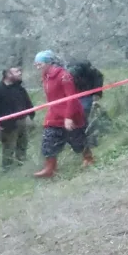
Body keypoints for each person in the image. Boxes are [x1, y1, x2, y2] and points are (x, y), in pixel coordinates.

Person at [32, 50, 93, 178]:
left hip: (70, 112)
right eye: (36, 65)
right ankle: (50, 169)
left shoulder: (64, 76)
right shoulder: (45, 76)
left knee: (77, 139)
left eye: (40, 64)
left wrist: (68, 117)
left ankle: (88, 159)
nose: (37, 67)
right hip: (54, 114)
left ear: (49, 62)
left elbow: (71, 97)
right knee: (48, 139)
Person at [0, 67, 35, 171]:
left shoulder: (19, 88)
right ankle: (7, 168)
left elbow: (27, 101)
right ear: (8, 74)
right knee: (9, 147)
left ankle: (21, 163)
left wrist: (31, 115)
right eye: (16, 72)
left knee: (23, 144)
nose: (20, 73)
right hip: (7, 125)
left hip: (22, 121)